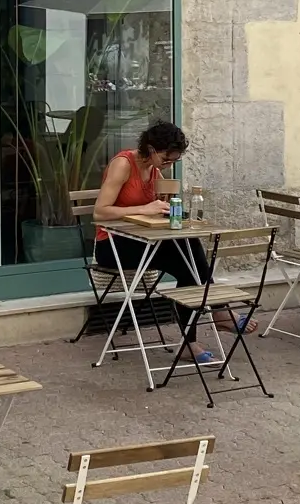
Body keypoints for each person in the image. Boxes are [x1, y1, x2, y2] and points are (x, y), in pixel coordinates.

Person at [91, 122, 254, 362]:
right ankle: (220, 311)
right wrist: (145, 208)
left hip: (143, 242)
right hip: (112, 245)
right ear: (151, 149)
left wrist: (165, 209)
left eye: (174, 161)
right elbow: (99, 213)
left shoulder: (156, 172)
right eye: (166, 159)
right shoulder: (123, 165)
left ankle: (191, 341)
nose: (169, 165)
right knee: (187, 254)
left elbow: (150, 212)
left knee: (189, 257)